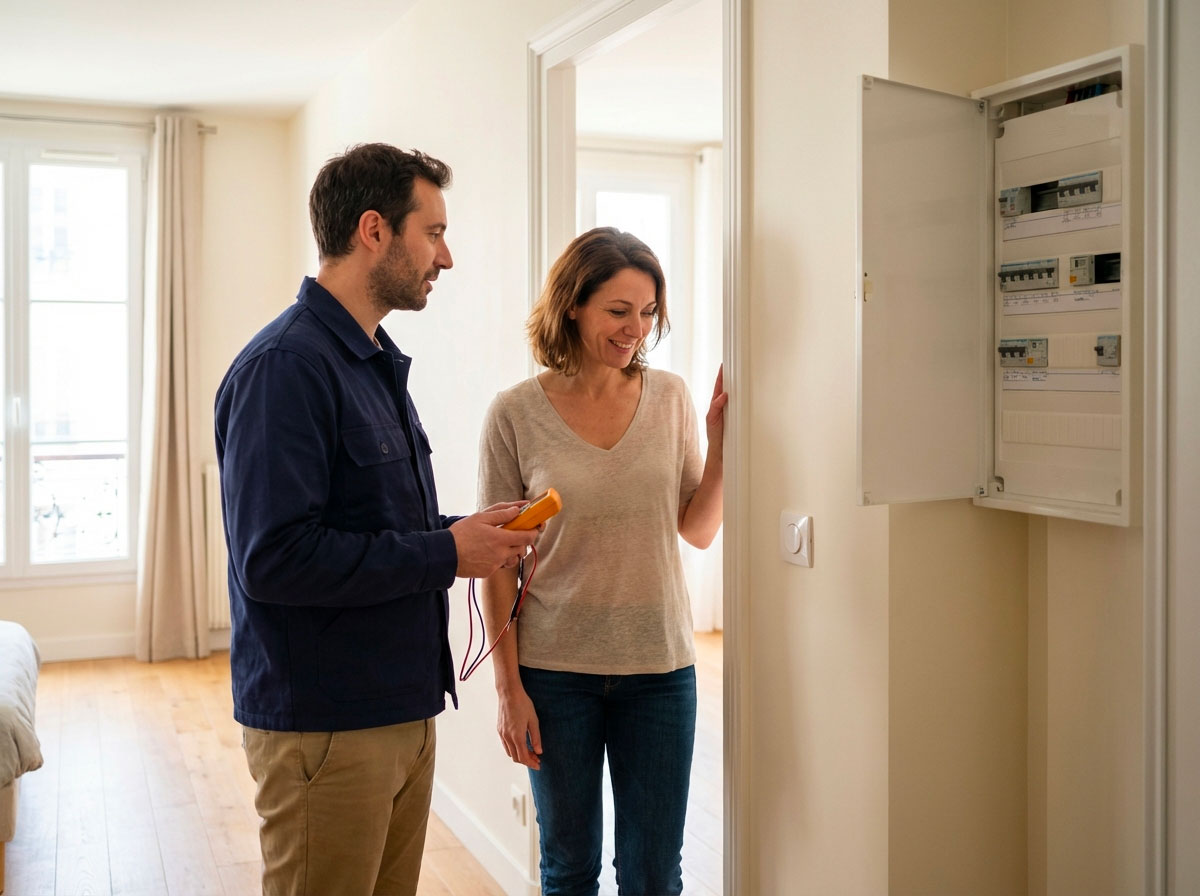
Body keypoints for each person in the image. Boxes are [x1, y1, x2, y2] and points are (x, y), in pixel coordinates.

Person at [214, 143, 539, 896]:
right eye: (433, 233)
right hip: (326, 729)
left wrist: (471, 534)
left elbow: (374, 522)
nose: (446, 257)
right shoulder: (286, 369)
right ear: (373, 231)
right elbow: (275, 559)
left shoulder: (370, 360)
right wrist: (442, 553)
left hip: (396, 709)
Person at [476, 226, 727, 895]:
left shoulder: (670, 399)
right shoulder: (515, 415)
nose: (636, 330)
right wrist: (509, 691)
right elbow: (497, 565)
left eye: (648, 313)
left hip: (659, 671)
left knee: (652, 875)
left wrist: (723, 443)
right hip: (555, 676)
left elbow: (697, 530)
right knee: (568, 869)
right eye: (619, 311)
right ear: (573, 306)